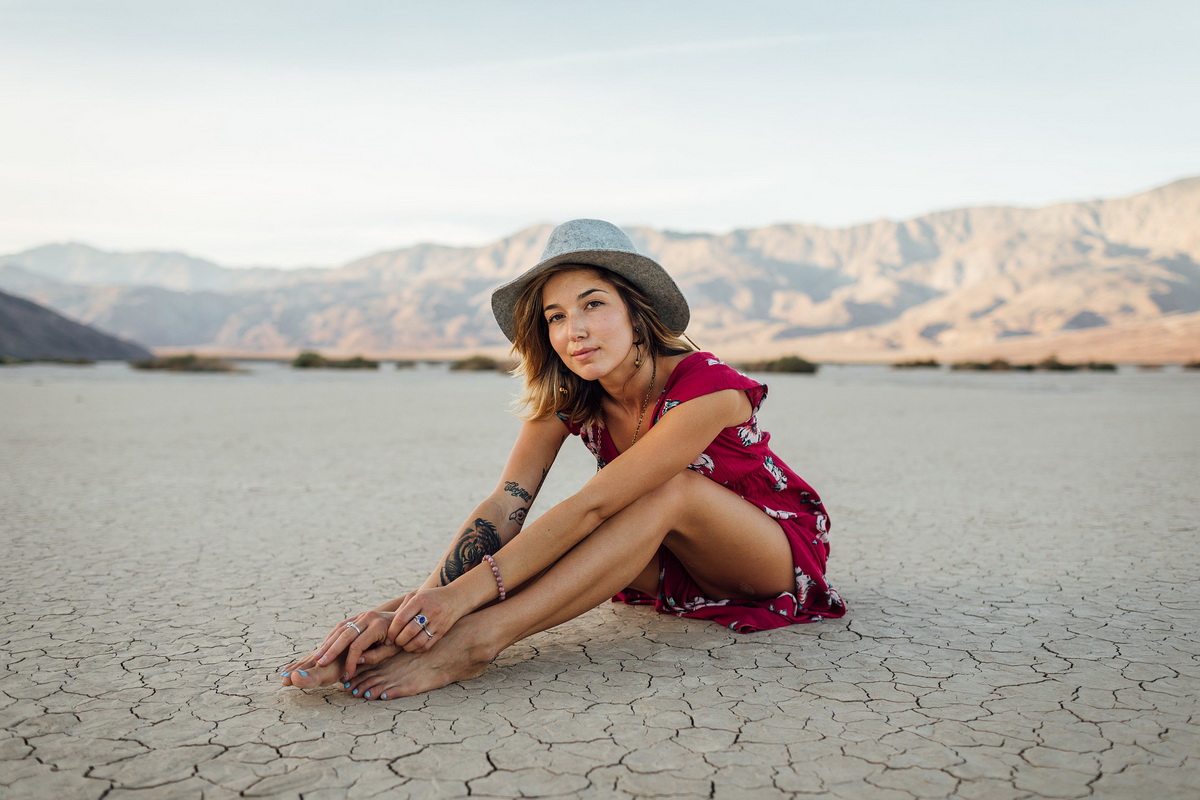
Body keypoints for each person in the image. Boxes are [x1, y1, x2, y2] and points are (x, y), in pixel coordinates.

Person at [280, 219, 846, 699]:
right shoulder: (573, 391)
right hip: (664, 558)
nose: (573, 331)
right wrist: (417, 604)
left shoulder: (711, 390)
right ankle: (381, 632)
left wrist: (462, 604)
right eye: (554, 317)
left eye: (593, 305)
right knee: (546, 543)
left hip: (768, 561)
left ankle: (478, 642)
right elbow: (507, 503)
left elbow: (597, 505)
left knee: (667, 490)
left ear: (636, 312)